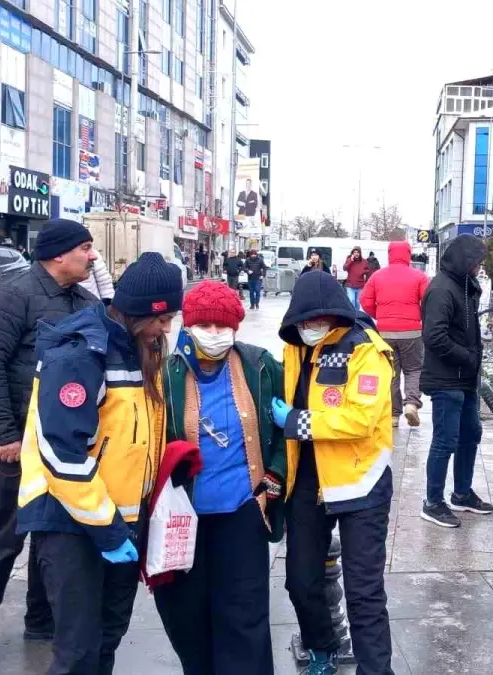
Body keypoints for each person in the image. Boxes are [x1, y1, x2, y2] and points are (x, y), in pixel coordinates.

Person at [17, 251, 183, 675]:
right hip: (72, 524)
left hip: (121, 522)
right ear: (140, 313)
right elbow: (60, 454)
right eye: (162, 320)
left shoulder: (141, 352)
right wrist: (108, 532)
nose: (167, 329)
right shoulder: (80, 357)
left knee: (108, 637)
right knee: (78, 651)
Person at [0, 219, 99, 673]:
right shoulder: (13, 296)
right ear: (58, 254)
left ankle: (40, 619)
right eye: (85, 249)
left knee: (53, 533)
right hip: (15, 446)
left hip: (62, 447)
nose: (93, 257)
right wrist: (3, 435)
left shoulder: (87, 302)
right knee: (6, 534)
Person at [152, 280, 286, 675]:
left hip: (242, 509)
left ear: (236, 328)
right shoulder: (165, 373)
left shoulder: (259, 366)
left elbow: (281, 434)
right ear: (188, 326)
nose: (214, 334)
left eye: (222, 326)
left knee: (244, 614)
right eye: (205, 326)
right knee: (186, 614)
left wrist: (274, 473)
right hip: (182, 515)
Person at [274, 270, 395, 675]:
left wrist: (296, 421)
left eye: (318, 321)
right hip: (308, 480)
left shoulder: (366, 350)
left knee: (364, 592)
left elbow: (361, 419)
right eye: (304, 322)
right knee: (301, 581)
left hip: (362, 483)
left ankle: (376, 670)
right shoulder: (295, 348)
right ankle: (321, 649)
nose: (311, 329)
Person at [419, 234, 492, 528]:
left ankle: (461, 493)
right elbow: (434, 336)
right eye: (476, 262)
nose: (479, 267)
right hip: (447, 378)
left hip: (465, 378)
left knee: (470, 434)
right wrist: (467, 356)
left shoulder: (464, 285)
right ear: (464, 261)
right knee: (445, 439)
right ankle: (432, 502)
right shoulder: (441, 289)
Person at [361, 241, 430, 428]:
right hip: (412, 332)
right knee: (413, 369)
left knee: (391, 372)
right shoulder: (419, 276)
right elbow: (430, 301)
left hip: (385, 332)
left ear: (389, 254)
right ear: (408, 254)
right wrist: (419, 318)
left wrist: (380, 316)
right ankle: (411, 404)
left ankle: (393, 415)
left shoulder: (377, 276)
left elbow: (365, 301)